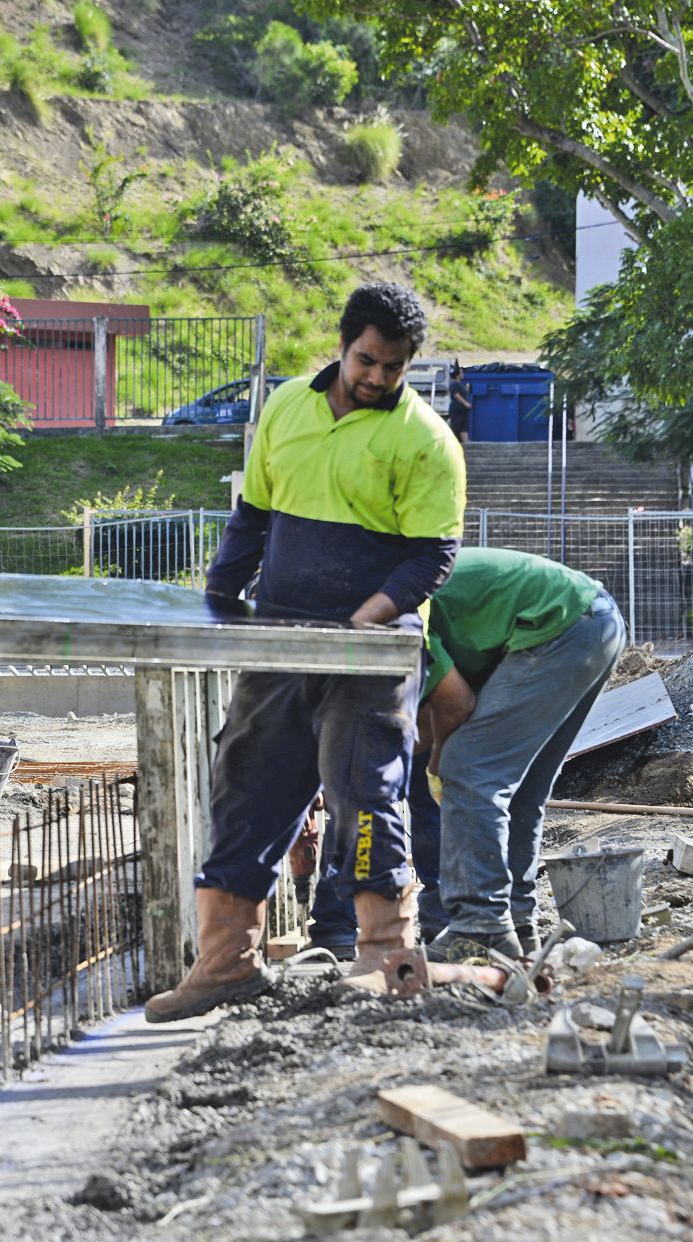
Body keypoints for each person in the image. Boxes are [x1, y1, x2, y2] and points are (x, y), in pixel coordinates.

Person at [143, 283, 467, 1022]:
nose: (377, 378)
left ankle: (384, 958)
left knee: (364, 800)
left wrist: (366, 621)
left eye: (393, 366)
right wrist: (218, 599)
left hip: (371, 654)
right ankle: (225, 962)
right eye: (366, 360)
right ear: (342, 344)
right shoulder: (287, 407)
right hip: (280, 638)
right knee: (246, 788)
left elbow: (430, 558)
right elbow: (251, 517)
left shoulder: (424, 441)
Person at [414, 548, 627, 960]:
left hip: (561, 626)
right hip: (593, 619)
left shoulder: (402, 617)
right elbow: (429, 719)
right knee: (522, 789)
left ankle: (480, 926)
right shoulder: (409, 592)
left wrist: (441, 762)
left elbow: (455, 705)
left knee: (471, 768)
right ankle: (515, 921)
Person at [446, 362, 472, 441]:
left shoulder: (461, 384)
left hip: (463, 410)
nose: (463, 374)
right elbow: (456, 395)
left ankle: (466, 443)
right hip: (457, 409)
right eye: (461, 373)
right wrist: (466, 403)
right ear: (457, 374)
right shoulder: (454, 384)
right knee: (456, 426)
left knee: (464, 427)